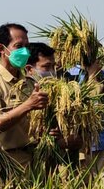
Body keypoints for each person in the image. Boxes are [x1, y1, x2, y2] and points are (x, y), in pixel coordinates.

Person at [0, 24, 48, 171]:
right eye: (18, 46)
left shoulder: (31, 83)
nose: (25, 51)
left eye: (26, 46)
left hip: (36, 159)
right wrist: (28, 105)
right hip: (9, 163)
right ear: (2, 49)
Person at [25, 42, 82, 171]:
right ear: (30, 69)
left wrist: (64, 134)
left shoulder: (63, 93)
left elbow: (78, 137)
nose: (52, 72)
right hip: (30, 162)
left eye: (53, 66)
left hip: (60, 162)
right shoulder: (21, 92)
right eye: (46, 67)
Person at [66, 59, 104, 184]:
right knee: (83, 188)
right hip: (81, 145)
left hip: (102, 141)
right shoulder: (71, 75)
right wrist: (92, 76)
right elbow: (84, 104)